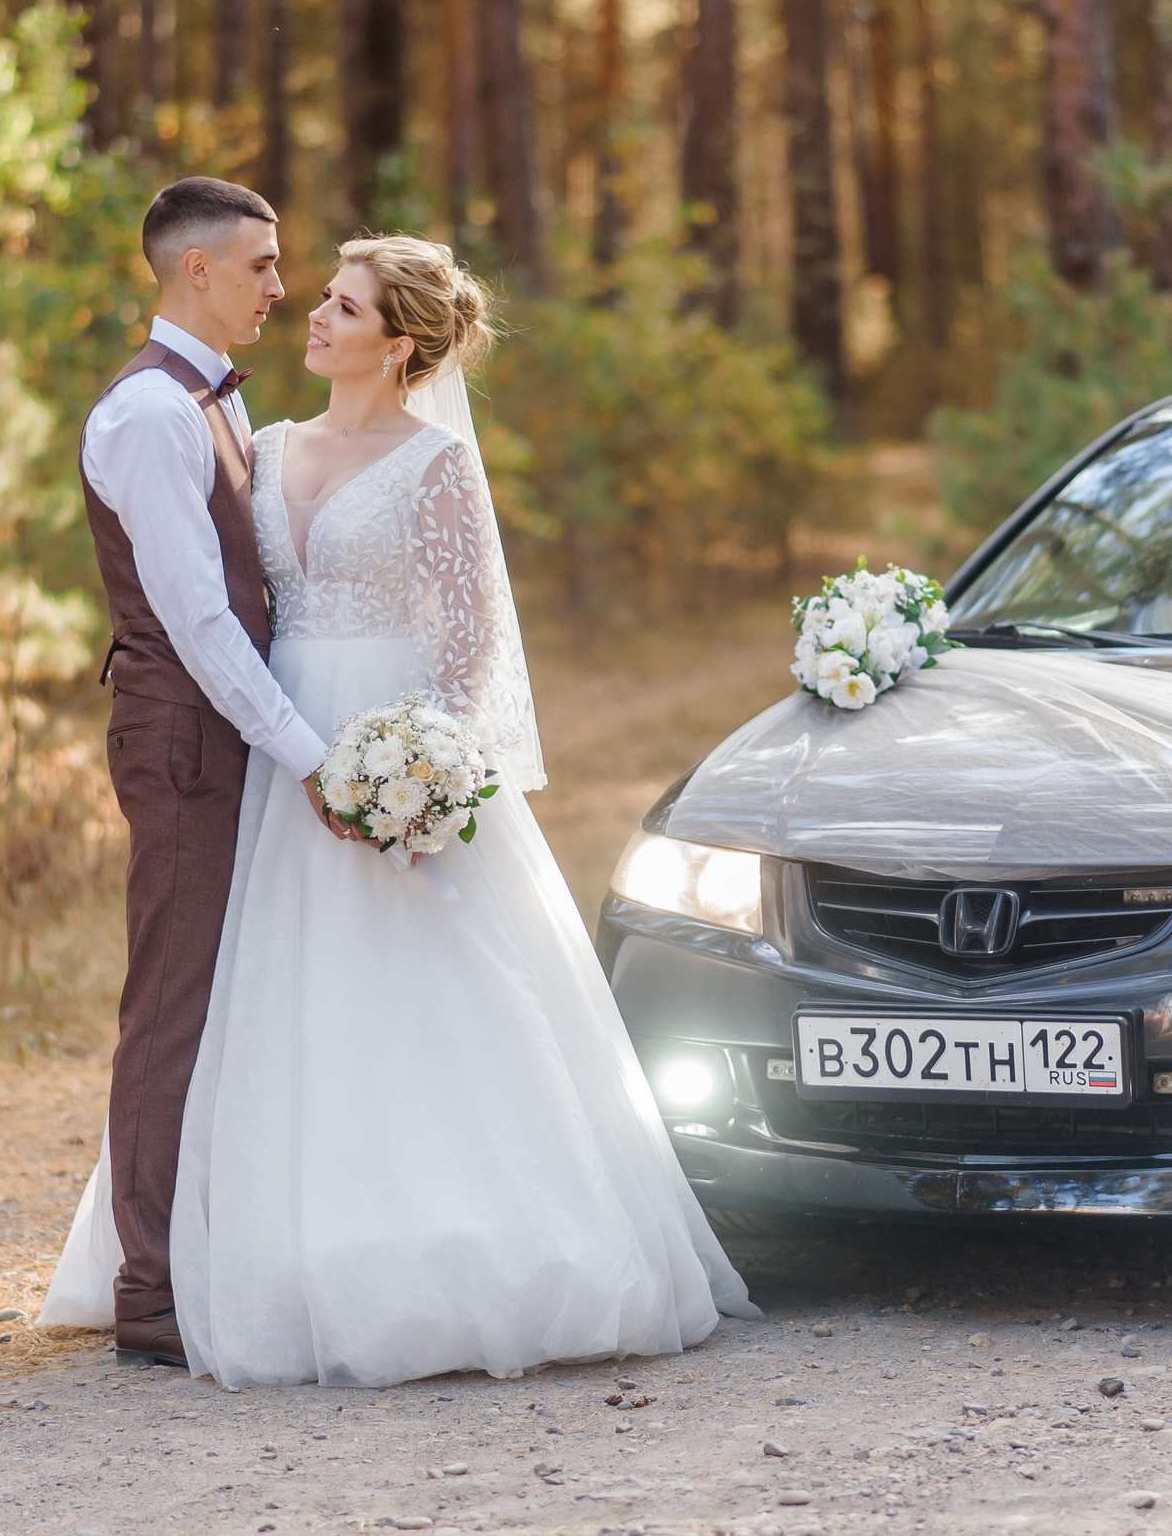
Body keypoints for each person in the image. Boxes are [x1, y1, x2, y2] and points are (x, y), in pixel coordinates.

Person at [44, 234, 756, 1387]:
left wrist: (407, 771)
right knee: (267, 994)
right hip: (283, 749)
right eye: (315, 295)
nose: (312, 316)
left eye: (341, 304)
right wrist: (311, 753)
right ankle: (250, 1246)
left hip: (386, 741)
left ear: (399, 340)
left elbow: (471, 646)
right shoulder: (263, 447)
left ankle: (455, 1242)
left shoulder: (436, 465)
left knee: (428, 996)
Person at [63, 177, 354, 1370]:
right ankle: (152, 1289)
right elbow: (195, 619)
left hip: (213, 733)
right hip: (182, 738)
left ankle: (213, 1247)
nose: (281, 290)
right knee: (172, 1007)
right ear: (196, 270)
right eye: (263, 266)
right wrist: (306, 752)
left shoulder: (212, 400)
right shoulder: (150, 415)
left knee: (225, 994)